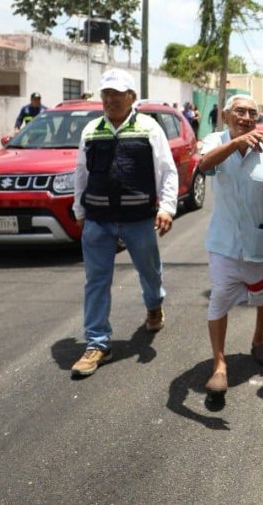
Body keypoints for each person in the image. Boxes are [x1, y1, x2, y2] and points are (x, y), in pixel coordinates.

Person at [70, 69, 179, 376]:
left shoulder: (149, 128)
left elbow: (167, 171)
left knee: (149, 271)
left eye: (117, 94)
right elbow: (81, 172)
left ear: (132, 97)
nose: (111, 100)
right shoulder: (91, 129)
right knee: (96, 281)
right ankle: (97, 343)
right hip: (98, 220)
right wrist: (80, 210)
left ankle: (154, 304)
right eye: (106, 94)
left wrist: (167, 207)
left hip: (138, 220)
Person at [198, 94, 263, 394]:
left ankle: (258, 338)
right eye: (240, 111)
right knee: (219, 300)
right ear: (226, 116)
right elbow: (204, 165)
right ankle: (219, 364)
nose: (247, 117)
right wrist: (234, 145)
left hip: (262, 238)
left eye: (253, 113)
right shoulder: (215, 141)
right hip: (224, 243)